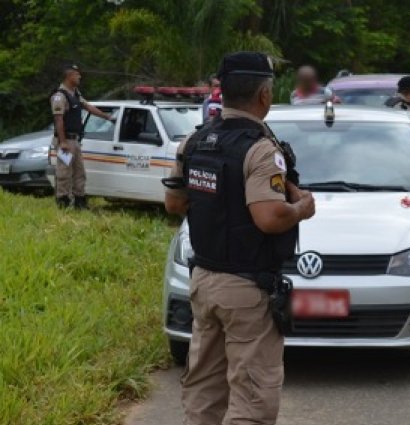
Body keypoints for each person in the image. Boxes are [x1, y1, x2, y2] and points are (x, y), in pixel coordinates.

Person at [164, 51, 315, 425]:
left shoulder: (195, 142)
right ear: (264, 95)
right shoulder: (261, 149)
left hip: (204, 282)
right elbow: (269, 217)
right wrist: (302, 208)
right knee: (252, 398)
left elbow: (174, 202)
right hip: (247, 288)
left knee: (205, 390)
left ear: (223, 92)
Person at [51, 64, 115, 209]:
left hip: (75, 140)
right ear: (69, 76)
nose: (79, 77)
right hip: (65, 140)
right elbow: (58, 120)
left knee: (80, 172)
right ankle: (63, 200)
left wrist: (107, 117)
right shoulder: (59, 96)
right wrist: (62, 142)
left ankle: (80, 200)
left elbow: (88, 107)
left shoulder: (76, 94)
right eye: (76, 74)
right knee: (64, 172)